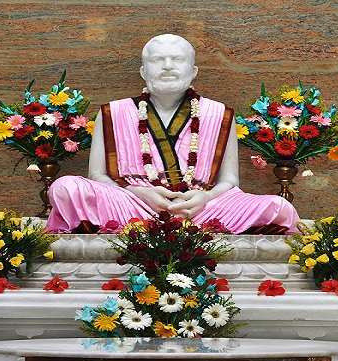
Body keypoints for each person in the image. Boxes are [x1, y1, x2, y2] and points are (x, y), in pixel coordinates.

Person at [46, 34, 299, 234]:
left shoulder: (219, 114)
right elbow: (98, 175)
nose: (167, 67)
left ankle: (178, 226)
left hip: (200, 208)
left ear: (193, 71)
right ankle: (149, 226)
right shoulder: (113, 111)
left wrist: (205, 197)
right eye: (158, 60)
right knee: (65, 188)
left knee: (279, 208)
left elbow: (230, 181)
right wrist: (138, 192)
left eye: (177, 60)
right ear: (144, 72)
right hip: (132, 204)